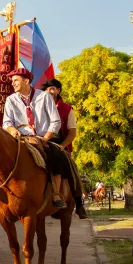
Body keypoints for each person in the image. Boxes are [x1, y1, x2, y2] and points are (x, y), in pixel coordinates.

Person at [2, 68, 68, 209]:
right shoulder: (10, 100)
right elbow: (6, 123)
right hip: (21, 139)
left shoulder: (44, 97)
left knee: (58, 156)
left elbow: (55, 121)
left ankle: (57, 193)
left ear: (26, 81)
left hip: (43, 138)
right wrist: (12, 130)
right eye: (12, 81)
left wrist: (46, 138)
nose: (13, 84)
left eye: (16, 80)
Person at [41, 78, 88, 219]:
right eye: (46, 89)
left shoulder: (67, 109)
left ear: (58, 90)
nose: (49, 91)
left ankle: (78, 202)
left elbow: (72, 132)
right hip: (38, 139)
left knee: (69, 167)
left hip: (58, 142)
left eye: (52, 89)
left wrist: (63, 146)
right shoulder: (38, 106)